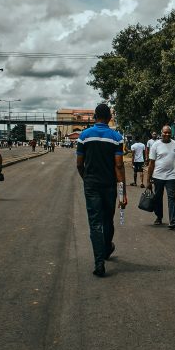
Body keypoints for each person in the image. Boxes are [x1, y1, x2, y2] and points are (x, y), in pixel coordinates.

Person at [76, 103, 127, 277]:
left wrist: (87, 179)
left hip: (91, 185)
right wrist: (122, 194)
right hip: (109, 186)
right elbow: (119, 166)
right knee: (107, 220)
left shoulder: (84, 136)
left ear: (94, 117)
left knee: (95, 223)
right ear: (110, 118)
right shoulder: (116, 137)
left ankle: (99, 263)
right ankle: (106, 248)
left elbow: (79, 164)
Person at [146, 125, 175, 229]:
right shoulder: (156, 145)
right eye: (165, 132)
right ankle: (159, 217)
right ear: (161, 133)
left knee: (172, 197)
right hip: (158, 176)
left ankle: (173, 221)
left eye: (169, 133)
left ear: (171, 134)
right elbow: (151, 164)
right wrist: (148, 181)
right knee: (158, 197)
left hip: (171, 176)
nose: (167, 134)